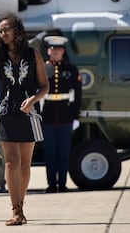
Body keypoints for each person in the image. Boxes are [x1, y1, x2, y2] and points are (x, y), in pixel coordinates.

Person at [0, 12, 49, 226]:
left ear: (17, 30)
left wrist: (33, 100)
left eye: (6, 29)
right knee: (11, 161)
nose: (3, 33)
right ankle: (15, 210)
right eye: (0, 30)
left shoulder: (32, 53)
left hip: (28, 112)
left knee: (25, 165)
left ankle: (21, 206)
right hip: (7, 111)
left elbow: (44, 86)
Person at [42, 36, 82, 193]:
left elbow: (78, 94)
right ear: (48, 51)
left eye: (58, 49)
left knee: (64, 152)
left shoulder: (71, 69)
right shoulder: (43, 68)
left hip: (66, 115)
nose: (55, 52)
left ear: (63, 51)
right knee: (50, 151)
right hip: (49, 115)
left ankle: (63, 183)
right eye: (52, 49)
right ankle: (52, 184)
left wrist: (75, 117)